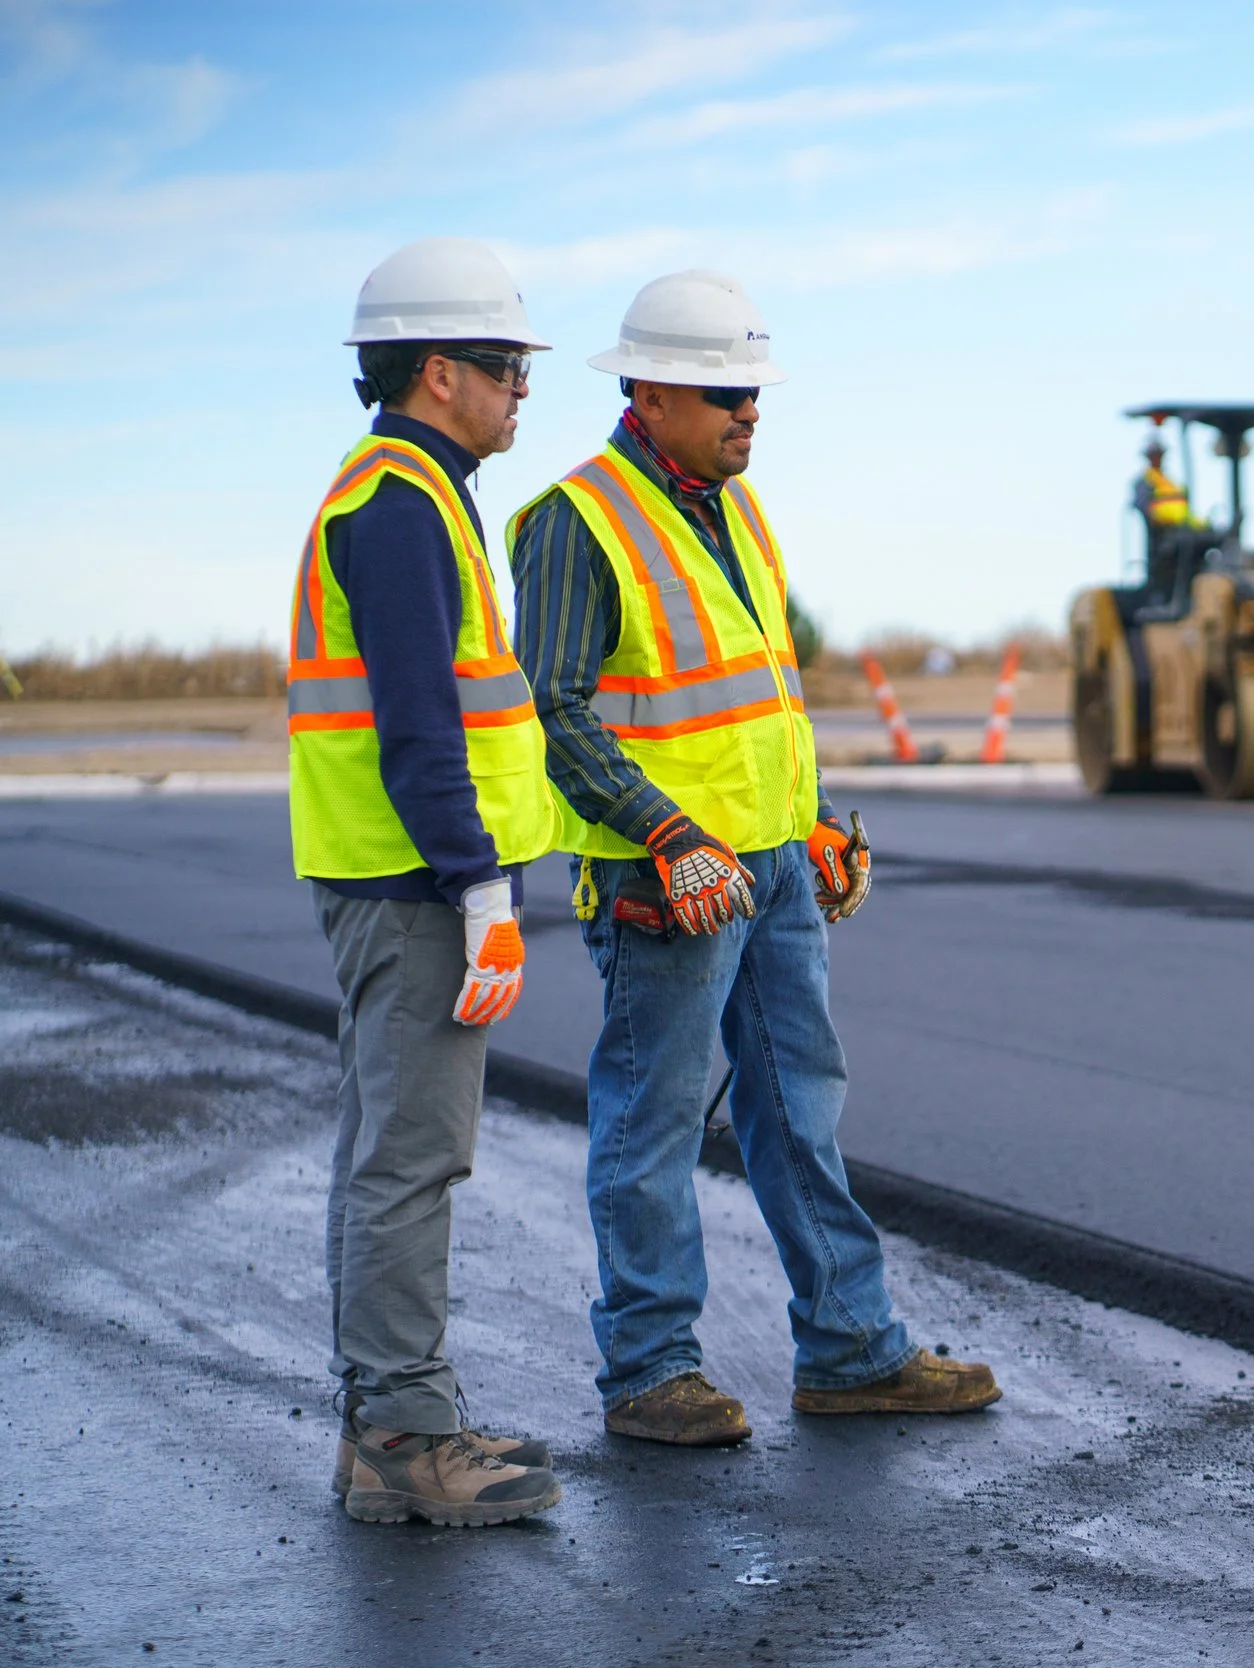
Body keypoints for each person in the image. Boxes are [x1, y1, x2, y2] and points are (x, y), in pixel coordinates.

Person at [509, 270, 1000, 1446]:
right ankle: (647, 1372)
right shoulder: (577, 523)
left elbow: (764, 699)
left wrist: (820, 817)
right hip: (663, 883)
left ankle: (850, 1350)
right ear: (652, 389)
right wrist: (672, 838)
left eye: (755, 392)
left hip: (772, 871)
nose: (750, 413)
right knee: (654, 1122)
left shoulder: (738, 509)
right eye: (726, 392)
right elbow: (555, 710)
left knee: (800, 1112)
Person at [289, 237, 564, 1526]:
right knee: (411, 1157)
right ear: (440, 371)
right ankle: (405, 1430)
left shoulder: (415, 494)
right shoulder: (399, 508)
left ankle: (385, 1423)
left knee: (384, 1150)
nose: (522, 388)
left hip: (398, 880)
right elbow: (417, 728)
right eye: (508, 365)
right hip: (413, 888)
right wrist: (481, 891)